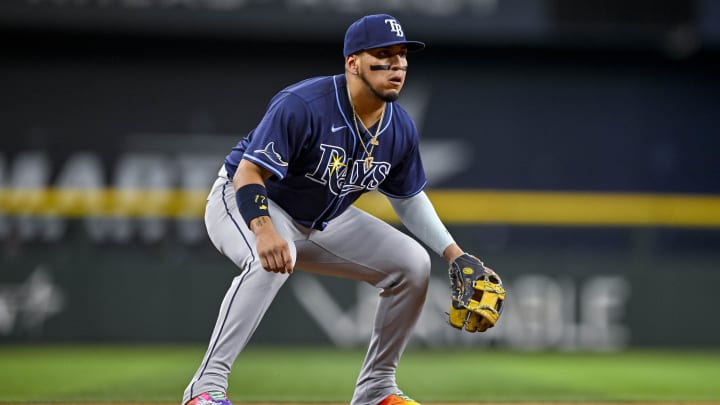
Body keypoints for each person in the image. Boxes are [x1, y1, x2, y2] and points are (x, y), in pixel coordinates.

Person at [184, 13, 474, 405]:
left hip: (322, 218)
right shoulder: (304, 104)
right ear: (352, 62)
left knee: (412, 264)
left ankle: (376, 391)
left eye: (403, 56)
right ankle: (204, 390)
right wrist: (264, 229)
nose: (397, 66)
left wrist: (454, 253)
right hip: (246, 199)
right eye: (383, 55)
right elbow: (249, 173)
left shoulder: (399, 127)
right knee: (268, 259)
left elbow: (406, 197)